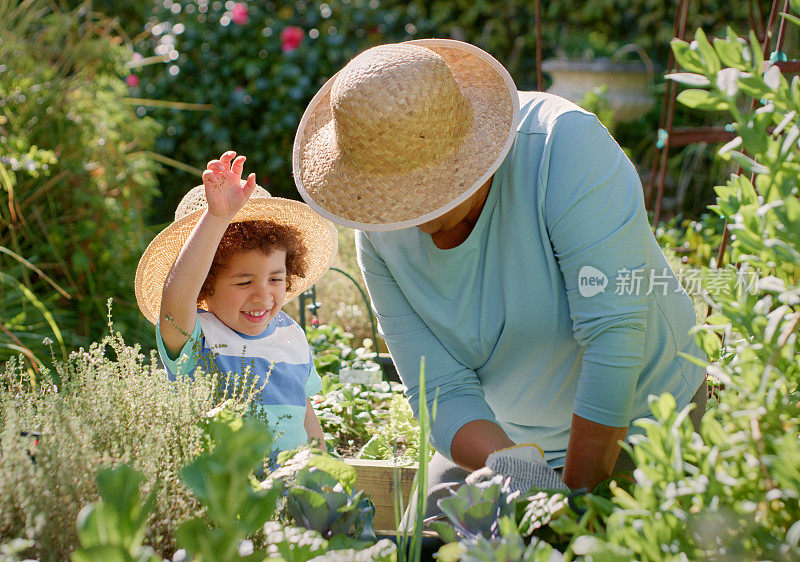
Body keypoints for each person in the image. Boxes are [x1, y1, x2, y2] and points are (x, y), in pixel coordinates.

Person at [291, 39, 707, 501]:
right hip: (504, 440)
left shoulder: (562, 147)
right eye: (397, 198)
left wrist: (571, 503)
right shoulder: (377, 227)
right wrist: (515, 466)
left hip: (640, 417)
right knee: (426, 536)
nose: (410, 217)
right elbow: (440, 390)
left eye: (429, 191)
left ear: (473, 149)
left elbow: (613, 335)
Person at [134, 151, 338, 454]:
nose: (263, 296)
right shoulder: (196, 337)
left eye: (276, 279)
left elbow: (305, 413)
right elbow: (177, 295)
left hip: (291, 496)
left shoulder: (290, 334)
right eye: (244, 282)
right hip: (226, 498)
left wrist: (324, 475)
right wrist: (217, 219)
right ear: (205, 286)